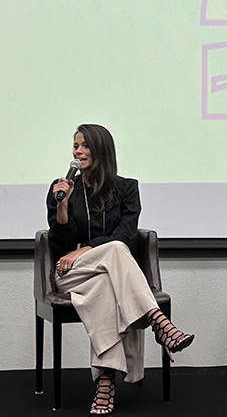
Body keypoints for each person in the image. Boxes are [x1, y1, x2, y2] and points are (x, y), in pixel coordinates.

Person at [46, 123, 193, 416]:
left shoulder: (126, 189)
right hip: (73, 273)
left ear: (101, 150)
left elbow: (126, 235)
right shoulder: (63, 188)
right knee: (113, 251)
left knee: (108, 280)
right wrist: (61, 207)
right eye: (75, 146)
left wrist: (86, 248)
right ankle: (157, 320)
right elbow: (60, 245)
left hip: (107, 273)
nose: (78, 152)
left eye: (85, 146)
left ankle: (105, 381)